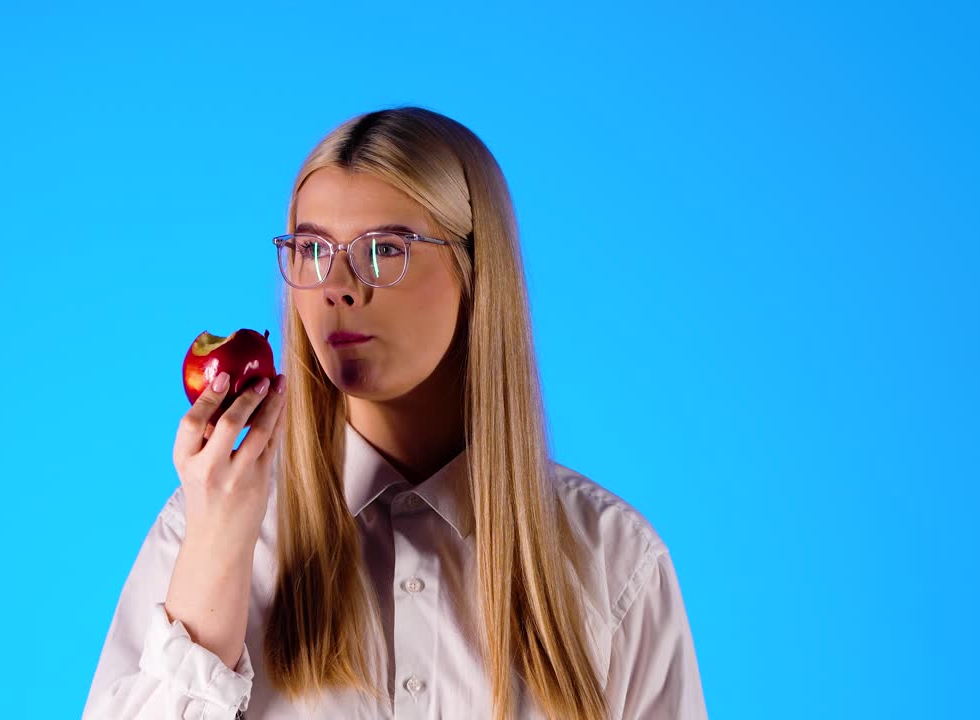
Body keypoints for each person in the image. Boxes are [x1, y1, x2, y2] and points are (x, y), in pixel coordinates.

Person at [82, 106, 708, 720]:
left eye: (385, 250)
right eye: (311, 248)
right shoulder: (203, 526)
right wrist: (217, 552)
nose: (338, 285)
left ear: (474, 271)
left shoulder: (617, 560)